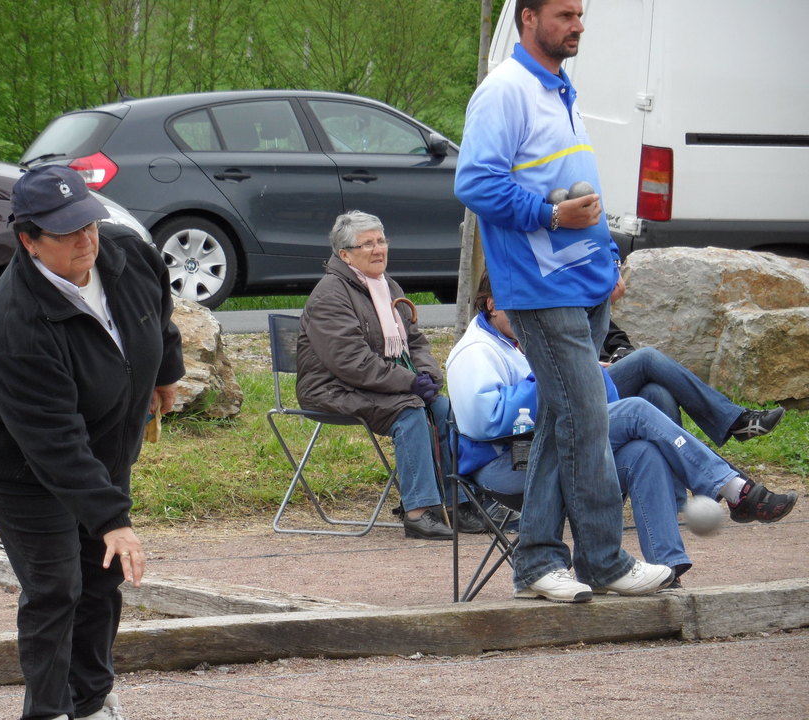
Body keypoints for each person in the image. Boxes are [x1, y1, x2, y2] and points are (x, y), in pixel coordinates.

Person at [454, 0, 673, 602]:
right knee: (586, 415)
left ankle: (537, 563)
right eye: (563, 15)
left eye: (580, 15)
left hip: (583, 282)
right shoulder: (506, 90)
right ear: (527, 18)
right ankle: (602, 560)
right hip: (538, 286)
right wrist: (549, 214)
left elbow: (580, 188)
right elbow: (473, 182)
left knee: (558, 423)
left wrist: (605, 263)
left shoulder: (560, 88)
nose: (577, 25)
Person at [0, 165, 185, 720]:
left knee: (102, 578)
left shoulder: (127, 252)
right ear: (28, 241)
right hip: (19, 462)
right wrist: (113, 519)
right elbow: (53, 441)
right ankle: (50, 711)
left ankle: (91, 701)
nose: (85, 239)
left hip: (104, 435)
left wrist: (164, 370)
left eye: (88, 222)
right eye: (65, 232)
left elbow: (158, 311)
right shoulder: (18, 322)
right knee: (57, 584)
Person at [446, 271, 799, 588]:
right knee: (637, 410)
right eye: (519, 307)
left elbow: (600, 398)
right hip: (506, 466)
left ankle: (668, 569)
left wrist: (577, 372)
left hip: (556, 447)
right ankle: (735, 487)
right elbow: (483, 421)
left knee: (644, 451)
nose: (529, 314)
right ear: (491, 304)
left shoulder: (524, 338)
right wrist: (552, 381)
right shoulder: (475, 351)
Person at [295, 210, 466, 540]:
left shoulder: (386, 285)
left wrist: (428, 376)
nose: (378, 249)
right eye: (368, 244)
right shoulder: (330, 294)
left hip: (380, 383)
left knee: (442, 409)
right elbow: (351, 362)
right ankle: (418, 513)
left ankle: (455, 505)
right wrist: (409, 383)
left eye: (381, 240)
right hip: (332, 388)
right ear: (344, 255)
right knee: (409, 412)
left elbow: (415, 341)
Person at [601, 324, 787, 444]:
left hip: (607, 381)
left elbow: (616, 339)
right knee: (647, 358)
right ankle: (734, 423)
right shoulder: (572, 300)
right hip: (581, 392)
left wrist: (621, 357)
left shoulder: (587, 300)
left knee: (657, 393)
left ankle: (676, 497)